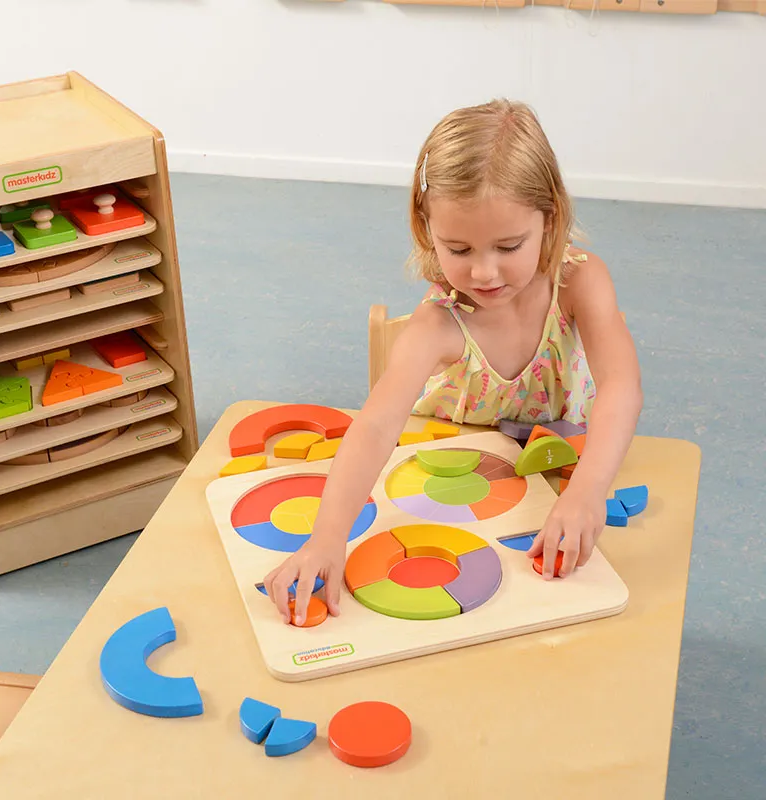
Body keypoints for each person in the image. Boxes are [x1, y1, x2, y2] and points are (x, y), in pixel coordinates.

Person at [264, 99, 642, 625]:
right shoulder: (437, 324)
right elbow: (374, 428)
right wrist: (327, 539)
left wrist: (587, 492)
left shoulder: (581, 279)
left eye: (509, 246)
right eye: (458, 250)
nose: (484, 272)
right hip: (450, 483)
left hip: (556, 471)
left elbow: (621, 386)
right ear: (426, 228)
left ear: (550, 218)